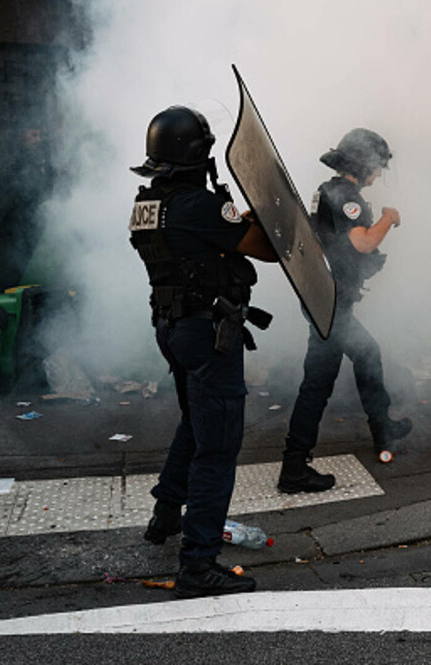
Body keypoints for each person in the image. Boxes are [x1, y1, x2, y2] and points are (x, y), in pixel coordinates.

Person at [129, 106, 278, 598]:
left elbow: (209, 237)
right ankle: (198, 566)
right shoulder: (199, 206)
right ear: (198, 155)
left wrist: (231, 221)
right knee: (217, 448)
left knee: (195, 422)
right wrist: (266, 214)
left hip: (171, 326)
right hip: (207, 332)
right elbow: (266, 248)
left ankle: (165, 515)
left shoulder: (147, 203)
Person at [277, 128, 412, 494]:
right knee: (317, 384)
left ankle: (383, 427)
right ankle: (293, 467)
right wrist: (389, 217)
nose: (379, 174)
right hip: (331, 306)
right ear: (364, 163)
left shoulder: (328, 190)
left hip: (331, 301)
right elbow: (363, 242)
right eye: (377, 167)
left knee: (368, 353)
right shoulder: (345, 197)